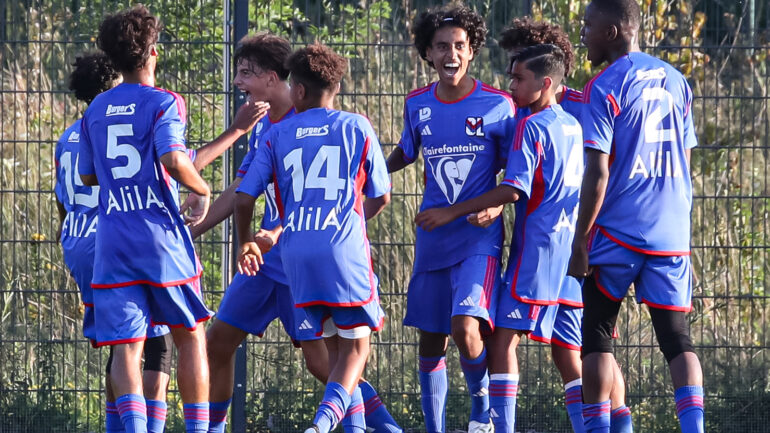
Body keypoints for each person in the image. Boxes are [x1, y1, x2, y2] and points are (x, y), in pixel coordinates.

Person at [192, 33, 401, 433]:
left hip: (294, 255)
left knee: (324, 363)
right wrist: (193, 232)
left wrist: (274, 230)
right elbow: (241, 190)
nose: (237, 82)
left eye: (246, 73)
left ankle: (385, 428)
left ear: (275, 80)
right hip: (264, 262)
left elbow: (319, 204)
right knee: (216, 343)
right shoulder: (264, 129)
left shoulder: (306, 124)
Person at [416, 43, 580, 433]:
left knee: (503, 342)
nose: (511, 86)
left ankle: (496, 424)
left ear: (544, 83)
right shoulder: (572, 125)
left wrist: (453, 211)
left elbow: (513, 189)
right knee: (571, 356)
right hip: (570, 255)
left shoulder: (531, 126)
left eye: (518, 79)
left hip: (536, 255)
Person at [78, 6, 215, 433]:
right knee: (190, 334)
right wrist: (202, 189)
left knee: (126, 347)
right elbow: (173, 158)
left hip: (113, 241)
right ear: (153, 52)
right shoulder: (164, 102)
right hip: (159, 239)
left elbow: (87, 175)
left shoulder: (95, 109)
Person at [568, 0, 704, 432]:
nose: (583, 34)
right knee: (676, 338)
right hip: (671, 231)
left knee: (596, 334)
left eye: (588, 25)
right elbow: (684, 162)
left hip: (619, 231)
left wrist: (580, 240)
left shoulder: (604, 85)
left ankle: (599, 428)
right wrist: (683, 236)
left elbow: (597, 172)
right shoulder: (677, 80)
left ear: (611, 32)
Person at [497, 18, 632, 433]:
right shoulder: (523, 109)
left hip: (579, 240)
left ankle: (616, 423)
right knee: (571, 349)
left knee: (592, 346)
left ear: (547, 71)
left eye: (519, 66)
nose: (511, 79)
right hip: (566, 240)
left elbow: (606, 170)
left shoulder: (578, 106)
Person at [386, 4, 516, 433]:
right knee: (430, 338)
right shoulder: (417, 103)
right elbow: (406, 152)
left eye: (460, 45)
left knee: (465, 327)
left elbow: (516, 171)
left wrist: (497, 205)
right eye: (441, 46)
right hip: (433, 235)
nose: (451, 54)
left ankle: (482, 410)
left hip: (479, 238)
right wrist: (367, 171)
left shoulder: (499, 105)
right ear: (427, 52)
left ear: (472, 50)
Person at [55, 51, 175, 433]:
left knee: (122, 342)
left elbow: (62, 199)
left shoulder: (67, 137)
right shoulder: (120, 121)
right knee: (157, 343)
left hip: (76, 240)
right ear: (113, 83)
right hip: (115, 237)